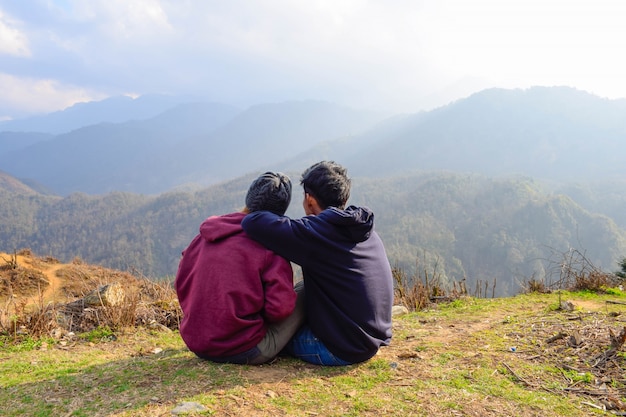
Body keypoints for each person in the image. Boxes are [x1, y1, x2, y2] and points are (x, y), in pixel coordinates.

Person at [242, 161, 393, 366]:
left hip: (341, 349)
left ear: (309, 199)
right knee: (305, 288)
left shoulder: (315, 234)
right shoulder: (361, 227)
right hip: (372, 338)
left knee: (273, 339)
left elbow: (253, 221)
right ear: (345, 197)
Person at [175, 172, 304, 365]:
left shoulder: (206, 234)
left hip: (197, 343)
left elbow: (182, 282)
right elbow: (280, 309)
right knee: (306, 290)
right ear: (281, 211)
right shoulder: (270, 245)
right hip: (245, 349)